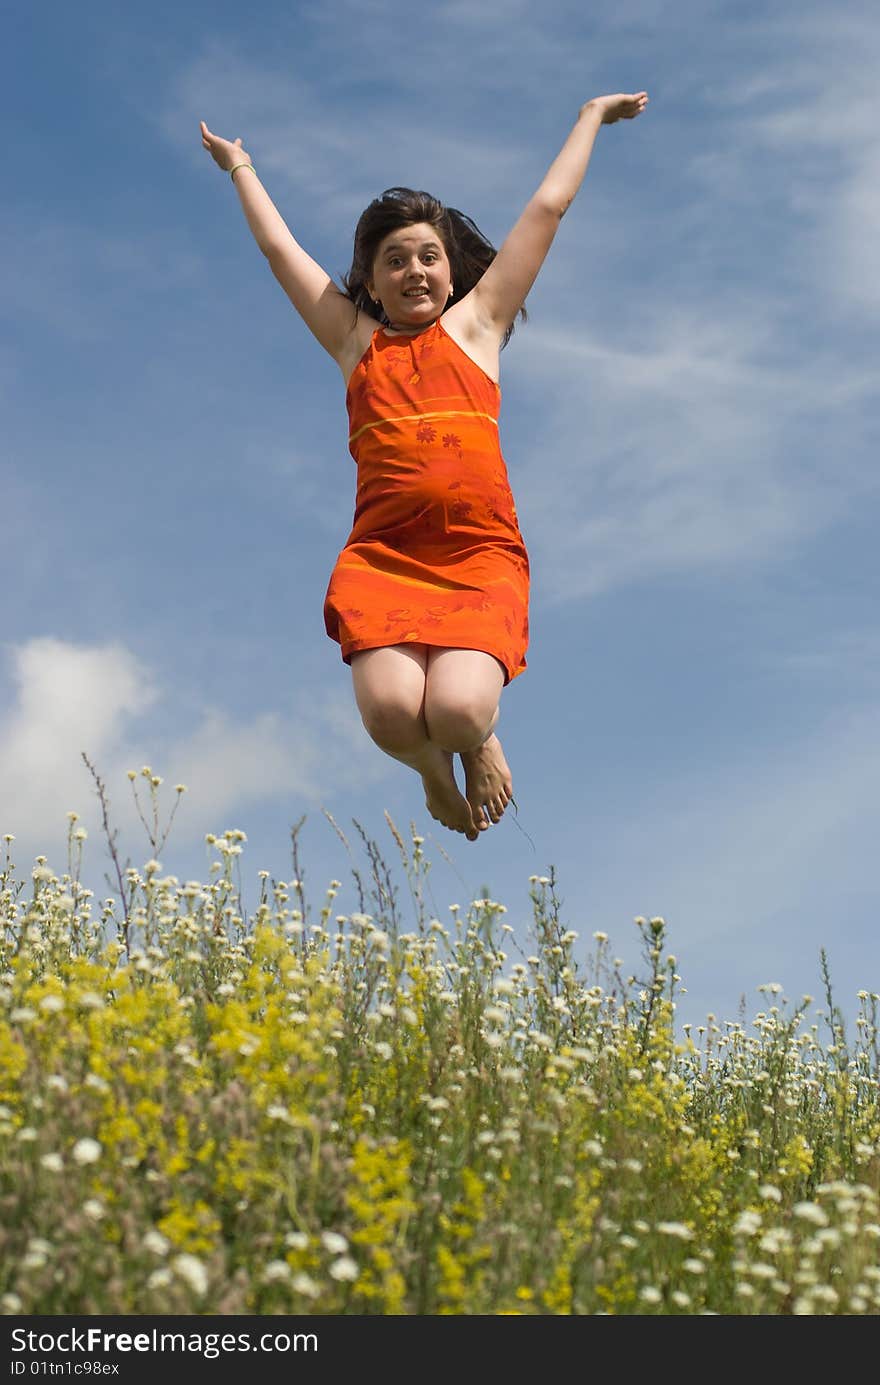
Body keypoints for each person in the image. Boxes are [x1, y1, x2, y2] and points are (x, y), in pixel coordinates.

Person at [200, 91, 648, 843]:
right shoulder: (355, 344)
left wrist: (589, 119)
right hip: (386, 558)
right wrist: (240, 165)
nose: (415, 271)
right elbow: (283, 254)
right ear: (370, 282)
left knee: (459, 709)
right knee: (389, 712)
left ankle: (476, 740)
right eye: (395, 260)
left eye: (429, 258)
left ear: (452, 273)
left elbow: (547, 208)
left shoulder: (479, 329)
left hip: (476, 557)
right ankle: (435, 775)